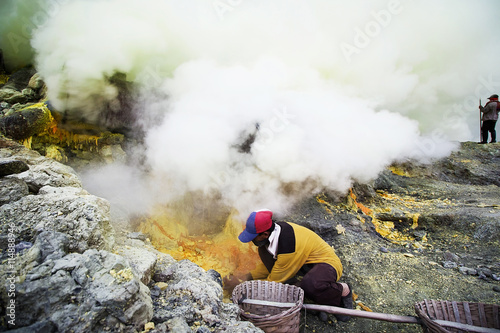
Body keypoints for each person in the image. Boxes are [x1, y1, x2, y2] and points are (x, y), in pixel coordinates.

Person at [223, 209, 353, 322]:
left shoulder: (288, 244)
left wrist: (244, 287)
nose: (251, 241)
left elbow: (274, 280)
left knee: (311, 285)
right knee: (297, 285)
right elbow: (271, 267)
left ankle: (343, 291)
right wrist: (247, 276)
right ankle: (317, 299)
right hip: (304, 265)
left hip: (327, 264)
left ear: (264, 234)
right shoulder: (270, 237)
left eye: (253, 237)